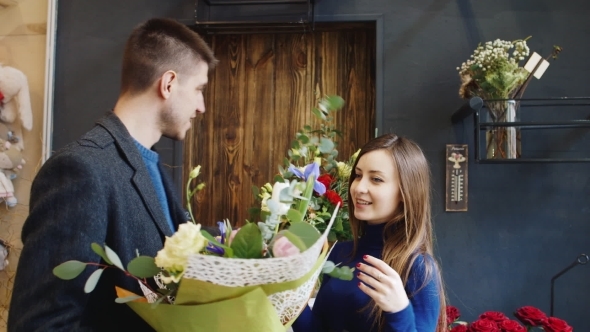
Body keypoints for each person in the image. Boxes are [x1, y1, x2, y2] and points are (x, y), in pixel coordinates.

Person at [8, 18, 217, 331]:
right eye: (199, 89)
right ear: (168, 83)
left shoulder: (149, 163)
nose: (201, 106)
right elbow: (40, 325)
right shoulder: (80, 171)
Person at [293, 133, 447, 332]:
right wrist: (291, 297)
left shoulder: (418, 267)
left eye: (375, 179)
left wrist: (399, 311)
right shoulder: (339, 252)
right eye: (358, 175)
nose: (359, 187)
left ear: (405, 192)